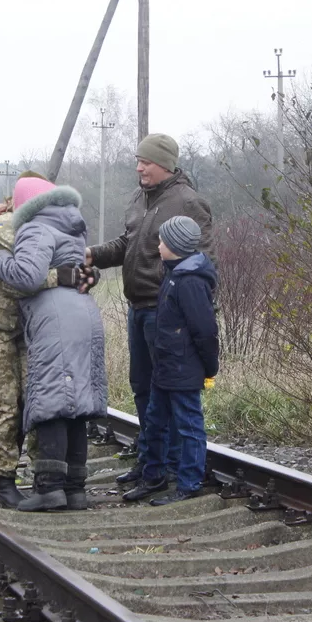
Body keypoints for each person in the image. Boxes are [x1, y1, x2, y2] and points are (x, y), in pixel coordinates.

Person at [85, 133, 213, 485]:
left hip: (167, 313)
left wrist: (184, 310)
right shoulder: (138, 198)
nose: (139, 167)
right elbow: (129, 243)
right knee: (143, 387)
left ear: (165, 164)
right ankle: (152, 458)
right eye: (137, 160)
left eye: (146, 161)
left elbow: (202, 262)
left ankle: (173, 464)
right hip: (137, 307)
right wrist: (92, 254)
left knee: (168, 390)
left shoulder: (188, 203)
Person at [0, 171, 87, 508]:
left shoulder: (41, 227)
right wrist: (60, 276)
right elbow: (22, 277)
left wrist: (84, 270)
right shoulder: (4, 230)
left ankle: (43, 479)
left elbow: (66, 260)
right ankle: (4, 481)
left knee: (35, 401)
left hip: (24, 329)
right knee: (5, 403)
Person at [0, 178, 107, 512]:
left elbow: (27, 276)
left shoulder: (36, 228)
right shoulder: (71, 226)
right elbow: (83, 270)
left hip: (55, 318)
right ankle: (75, 489)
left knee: (55, 402)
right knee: (76, 406)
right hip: (84, 314)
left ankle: (50, 487)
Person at [123, 216, 218, 505]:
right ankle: (154, 475)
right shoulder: (173, 273)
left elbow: (205, 329)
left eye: (163, 240)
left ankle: (189, 483)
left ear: (175, 246)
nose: (158, 244)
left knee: (188, 425)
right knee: (155, 420)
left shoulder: (189, 281)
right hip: (165, 365)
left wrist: (209, 366)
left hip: (183, 367)